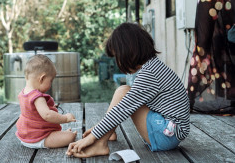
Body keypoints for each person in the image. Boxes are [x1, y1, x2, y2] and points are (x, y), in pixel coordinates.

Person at [66, 23, 190, 157]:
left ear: (127, 51)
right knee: (123, 90)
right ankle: (109, 133)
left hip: (167, 135)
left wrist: (93, 136)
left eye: (117, 57)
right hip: (169, 130)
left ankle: (101, 143)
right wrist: (100, 128)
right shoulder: (153, 67)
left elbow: (123, 109)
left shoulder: (150, 74)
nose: (118, 63)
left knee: (124, 94)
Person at [15, 54, 77, 149]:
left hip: (25, 136)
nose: (51, 84)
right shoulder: (37, 97)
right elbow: (47, 115)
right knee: (70, 137)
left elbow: (32, 111)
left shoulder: (23, 93)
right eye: (51, 81)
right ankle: (64, 136)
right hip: (39, 137)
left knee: (63, 135)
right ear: (42, 78)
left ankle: (61, 135)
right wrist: (65, 118)